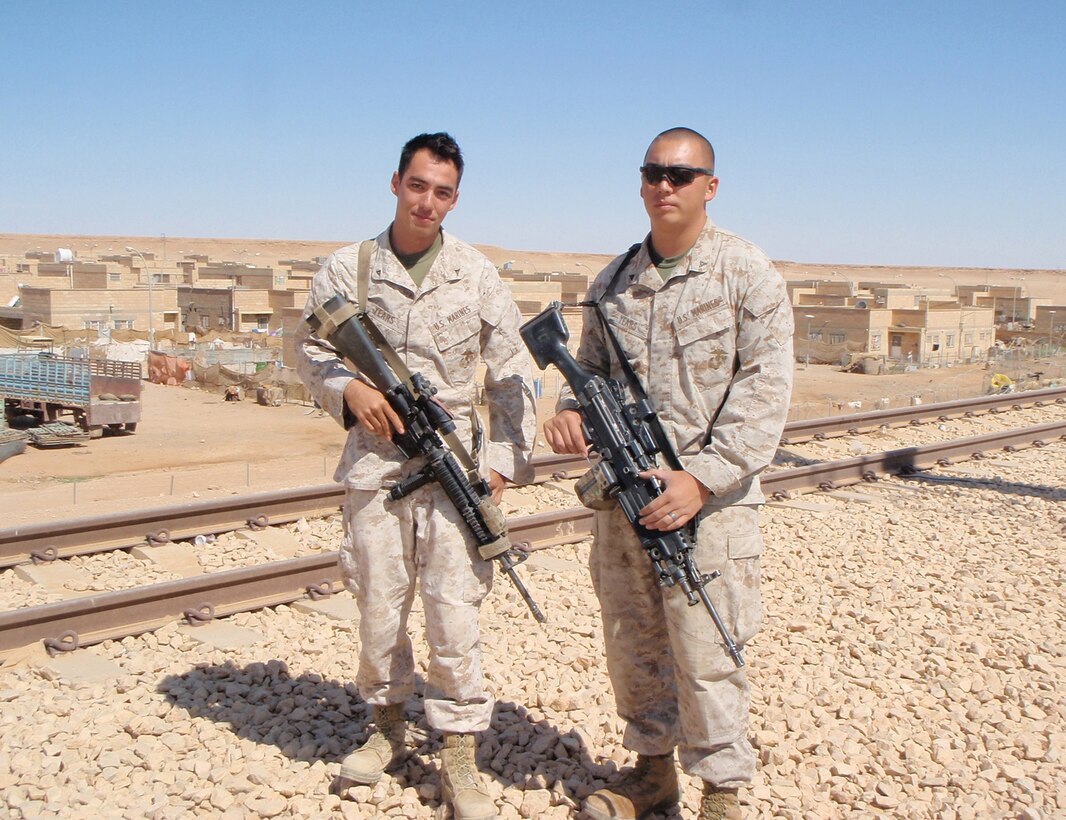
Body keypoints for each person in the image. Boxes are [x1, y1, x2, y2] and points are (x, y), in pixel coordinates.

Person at [543, 127, 793, 820]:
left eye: (681, 176)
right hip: (627, 501)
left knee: (709, 648)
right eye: (654, 172)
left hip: (709, 509)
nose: (665, 186)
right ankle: (653, 772)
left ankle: (723, 792)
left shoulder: (746, 274)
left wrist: (702, 479)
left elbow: (765, 393)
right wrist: (569, 412)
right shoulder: (612, 283)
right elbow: (587, 369)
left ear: (709, 186)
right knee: (633, 641)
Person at [295, 132, 536, 820]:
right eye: (418, 186)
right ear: (395, 182)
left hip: (455, 459)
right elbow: (310, 348)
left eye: (443, 192)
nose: (428, 202)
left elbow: (513, 368)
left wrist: (501, 464)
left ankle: (459, 748)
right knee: (379, 600)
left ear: (455, 198)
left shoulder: (475, 272)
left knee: (454, 608)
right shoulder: (350, 269)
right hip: (376, 463)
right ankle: (385, 729)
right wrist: (348, 391)